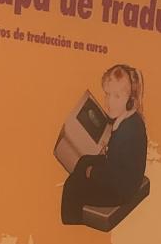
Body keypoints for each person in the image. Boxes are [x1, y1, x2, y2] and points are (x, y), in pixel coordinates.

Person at [61, 64, 147, 225]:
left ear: (130, 100)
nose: (109, 102)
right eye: (107, 94)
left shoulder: (126, 131)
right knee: (84, 160)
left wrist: (92, 172)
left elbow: (114, 176)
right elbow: (119, 160)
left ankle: (73, 225)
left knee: (71, 187)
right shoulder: (130, 118)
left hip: (121, 191)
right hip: (123, 177)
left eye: (117, 97)